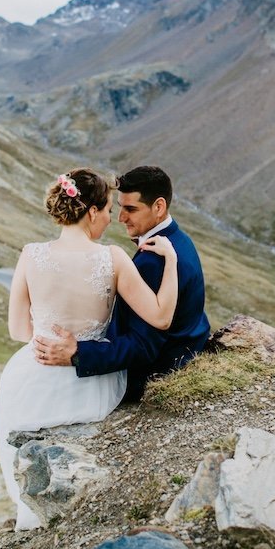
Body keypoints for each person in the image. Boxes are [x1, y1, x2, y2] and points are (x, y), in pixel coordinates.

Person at [0, 168, 178, 530]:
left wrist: (49, 334)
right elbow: (161, 317)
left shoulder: (31, 255)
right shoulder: (113, 258)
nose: (112, 218)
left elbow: (18, 330)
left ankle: (32, 513)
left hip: (29, 382)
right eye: (108, 209)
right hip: (90, 384)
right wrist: (171, 261)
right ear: (91, 211)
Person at [34, 165, 211, 404]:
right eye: (119, 208)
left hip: (154, 371)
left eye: (131, 209)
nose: (120, 218)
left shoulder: (153, 261)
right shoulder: (177, 238)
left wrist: (78, 353)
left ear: (158, 207)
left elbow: (143, 347)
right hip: (186, 345)